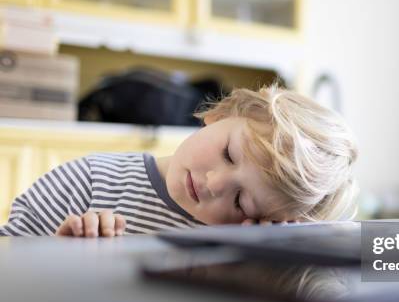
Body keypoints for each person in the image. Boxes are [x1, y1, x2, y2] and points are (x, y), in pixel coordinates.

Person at [0, 84, 359, 237]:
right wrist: (57, 254)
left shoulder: (236, 243)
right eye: (229, 154)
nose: (215, 185)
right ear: (220, 115)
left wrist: (271, 258)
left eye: (240, 201)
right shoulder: (88, 181)